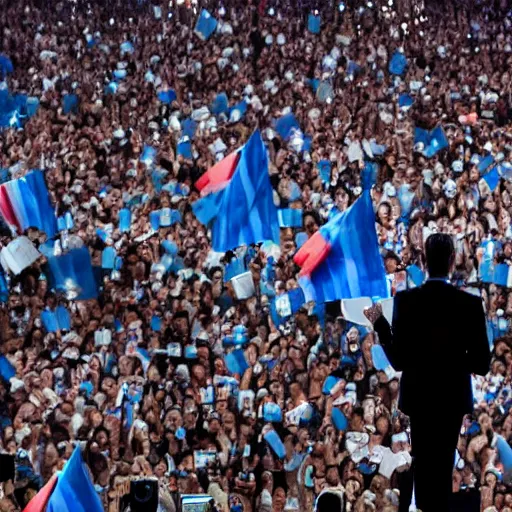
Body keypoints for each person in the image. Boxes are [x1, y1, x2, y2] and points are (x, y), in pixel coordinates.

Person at [364, 233, 492, 512]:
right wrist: (455, 358)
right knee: (443, 468)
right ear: (451, 261)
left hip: (420, 400)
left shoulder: (408, 301)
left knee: (424, 469)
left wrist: (379, 324)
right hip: (451, 401)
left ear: (423, 260)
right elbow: (482, 364)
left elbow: (398, 361)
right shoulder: (469, 304)